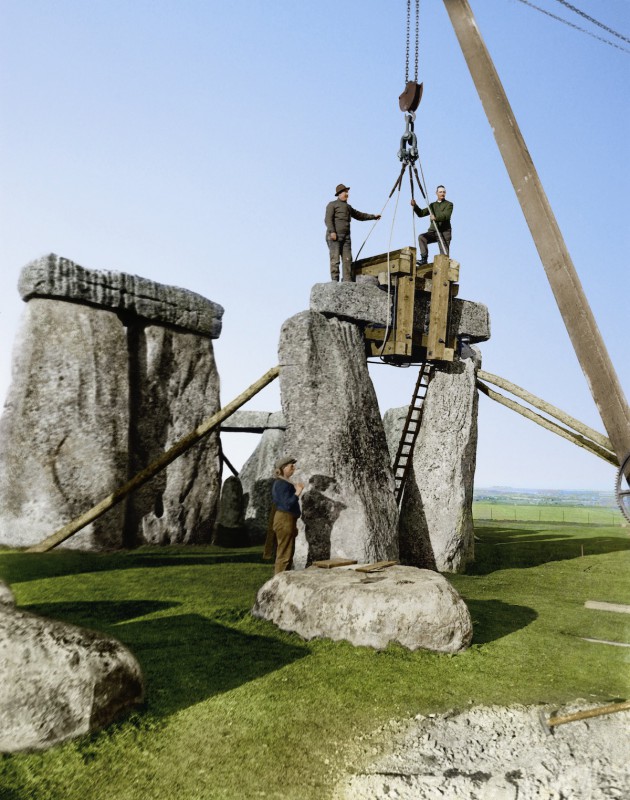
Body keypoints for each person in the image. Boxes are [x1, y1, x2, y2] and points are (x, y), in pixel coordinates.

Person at [325, 184, 381, 282]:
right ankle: (334, 280)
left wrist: (373, 217)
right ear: (339, 194)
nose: (347, 194)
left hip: (346, 238)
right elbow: (328, 219)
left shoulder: (348, 207)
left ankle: (347, 280)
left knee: (348, 260)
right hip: (335, 236)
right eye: (345, 192)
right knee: (335, 259)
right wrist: (332, 232)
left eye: (347, 192)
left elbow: (360, 215)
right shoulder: (332, 205)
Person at [269, 456, 304, 574]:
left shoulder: (283, 483)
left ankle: (282, 581)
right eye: (291, 465)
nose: (293, 468)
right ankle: (278, 582)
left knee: (287, 552)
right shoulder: (282, 484)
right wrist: (298, 492)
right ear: (283, 468)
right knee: (284, 554)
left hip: (287, 518)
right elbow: (287, 503)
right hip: (285, 518)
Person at [410, 185, 453, 264]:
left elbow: (446, 215)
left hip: (444, 232)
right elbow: (421, 213)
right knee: (422, 237)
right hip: (434, 231)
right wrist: (415, 206)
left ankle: (444, 267)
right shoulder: (432, 205)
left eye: (443, 192)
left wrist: (436, 217)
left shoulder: (449, 204)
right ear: (436, 193)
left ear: (445, 193)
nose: (442, 193)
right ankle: (424, 259)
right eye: (440, 192)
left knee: (444, 255)